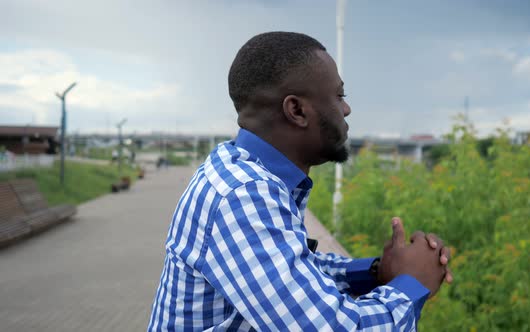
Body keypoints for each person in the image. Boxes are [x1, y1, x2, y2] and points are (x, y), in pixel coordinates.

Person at [148, 31, 452, 331]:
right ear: (296, 110)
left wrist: (377, 271)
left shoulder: (242, 173)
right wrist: (412, 283)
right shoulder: (242, 195)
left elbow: (296, 272)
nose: (346, 109)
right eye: (339, 95)